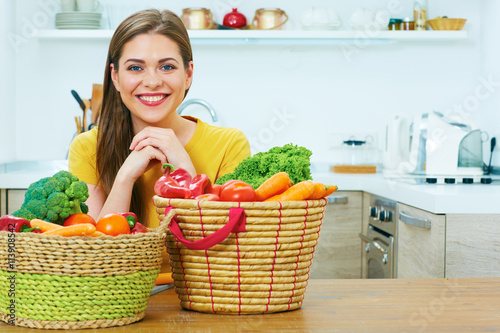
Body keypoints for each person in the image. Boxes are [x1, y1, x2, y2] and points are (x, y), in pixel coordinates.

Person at [68, 9, 250, 270]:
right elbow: (94, 262)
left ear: (188, 74)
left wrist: (185, 171)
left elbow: (227, 255)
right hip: (118, 301)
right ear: (116, 77)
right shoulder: (88, 147)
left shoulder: (229, 144)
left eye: (167, 67)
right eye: (135, 67)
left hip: (202, 299)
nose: (152, 81)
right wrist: (125, 178)